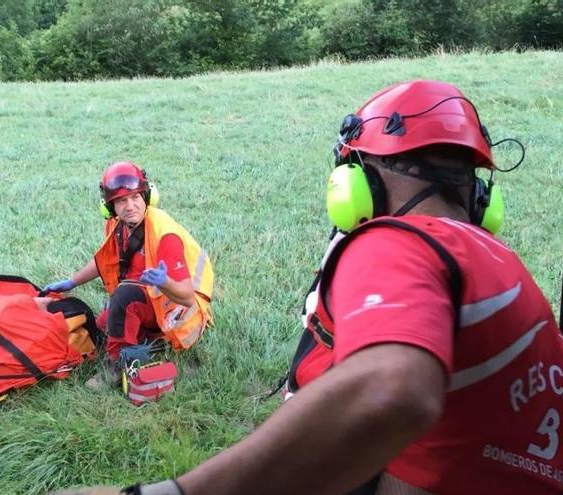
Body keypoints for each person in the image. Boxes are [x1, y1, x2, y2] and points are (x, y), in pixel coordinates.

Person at [52, 80, 563, 494]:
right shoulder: (506, 264)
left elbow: (393, 390)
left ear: (360, 184)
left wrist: (174, 492)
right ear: (478, 196)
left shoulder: (397, 243)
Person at [45, 161, 214, 387]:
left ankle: (117, 366)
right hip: (147, 297)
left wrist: (164, 281)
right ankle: (148, 340)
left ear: (147, 197)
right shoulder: (118, 226)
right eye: (122, 201)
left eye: (135, 197)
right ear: (109, 207)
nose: (130, 206)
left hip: (177, 309)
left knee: (122, 299)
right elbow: (105, 259)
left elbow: (186, 296)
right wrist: (71, 282)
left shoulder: (164, 234)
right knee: (101, 328)